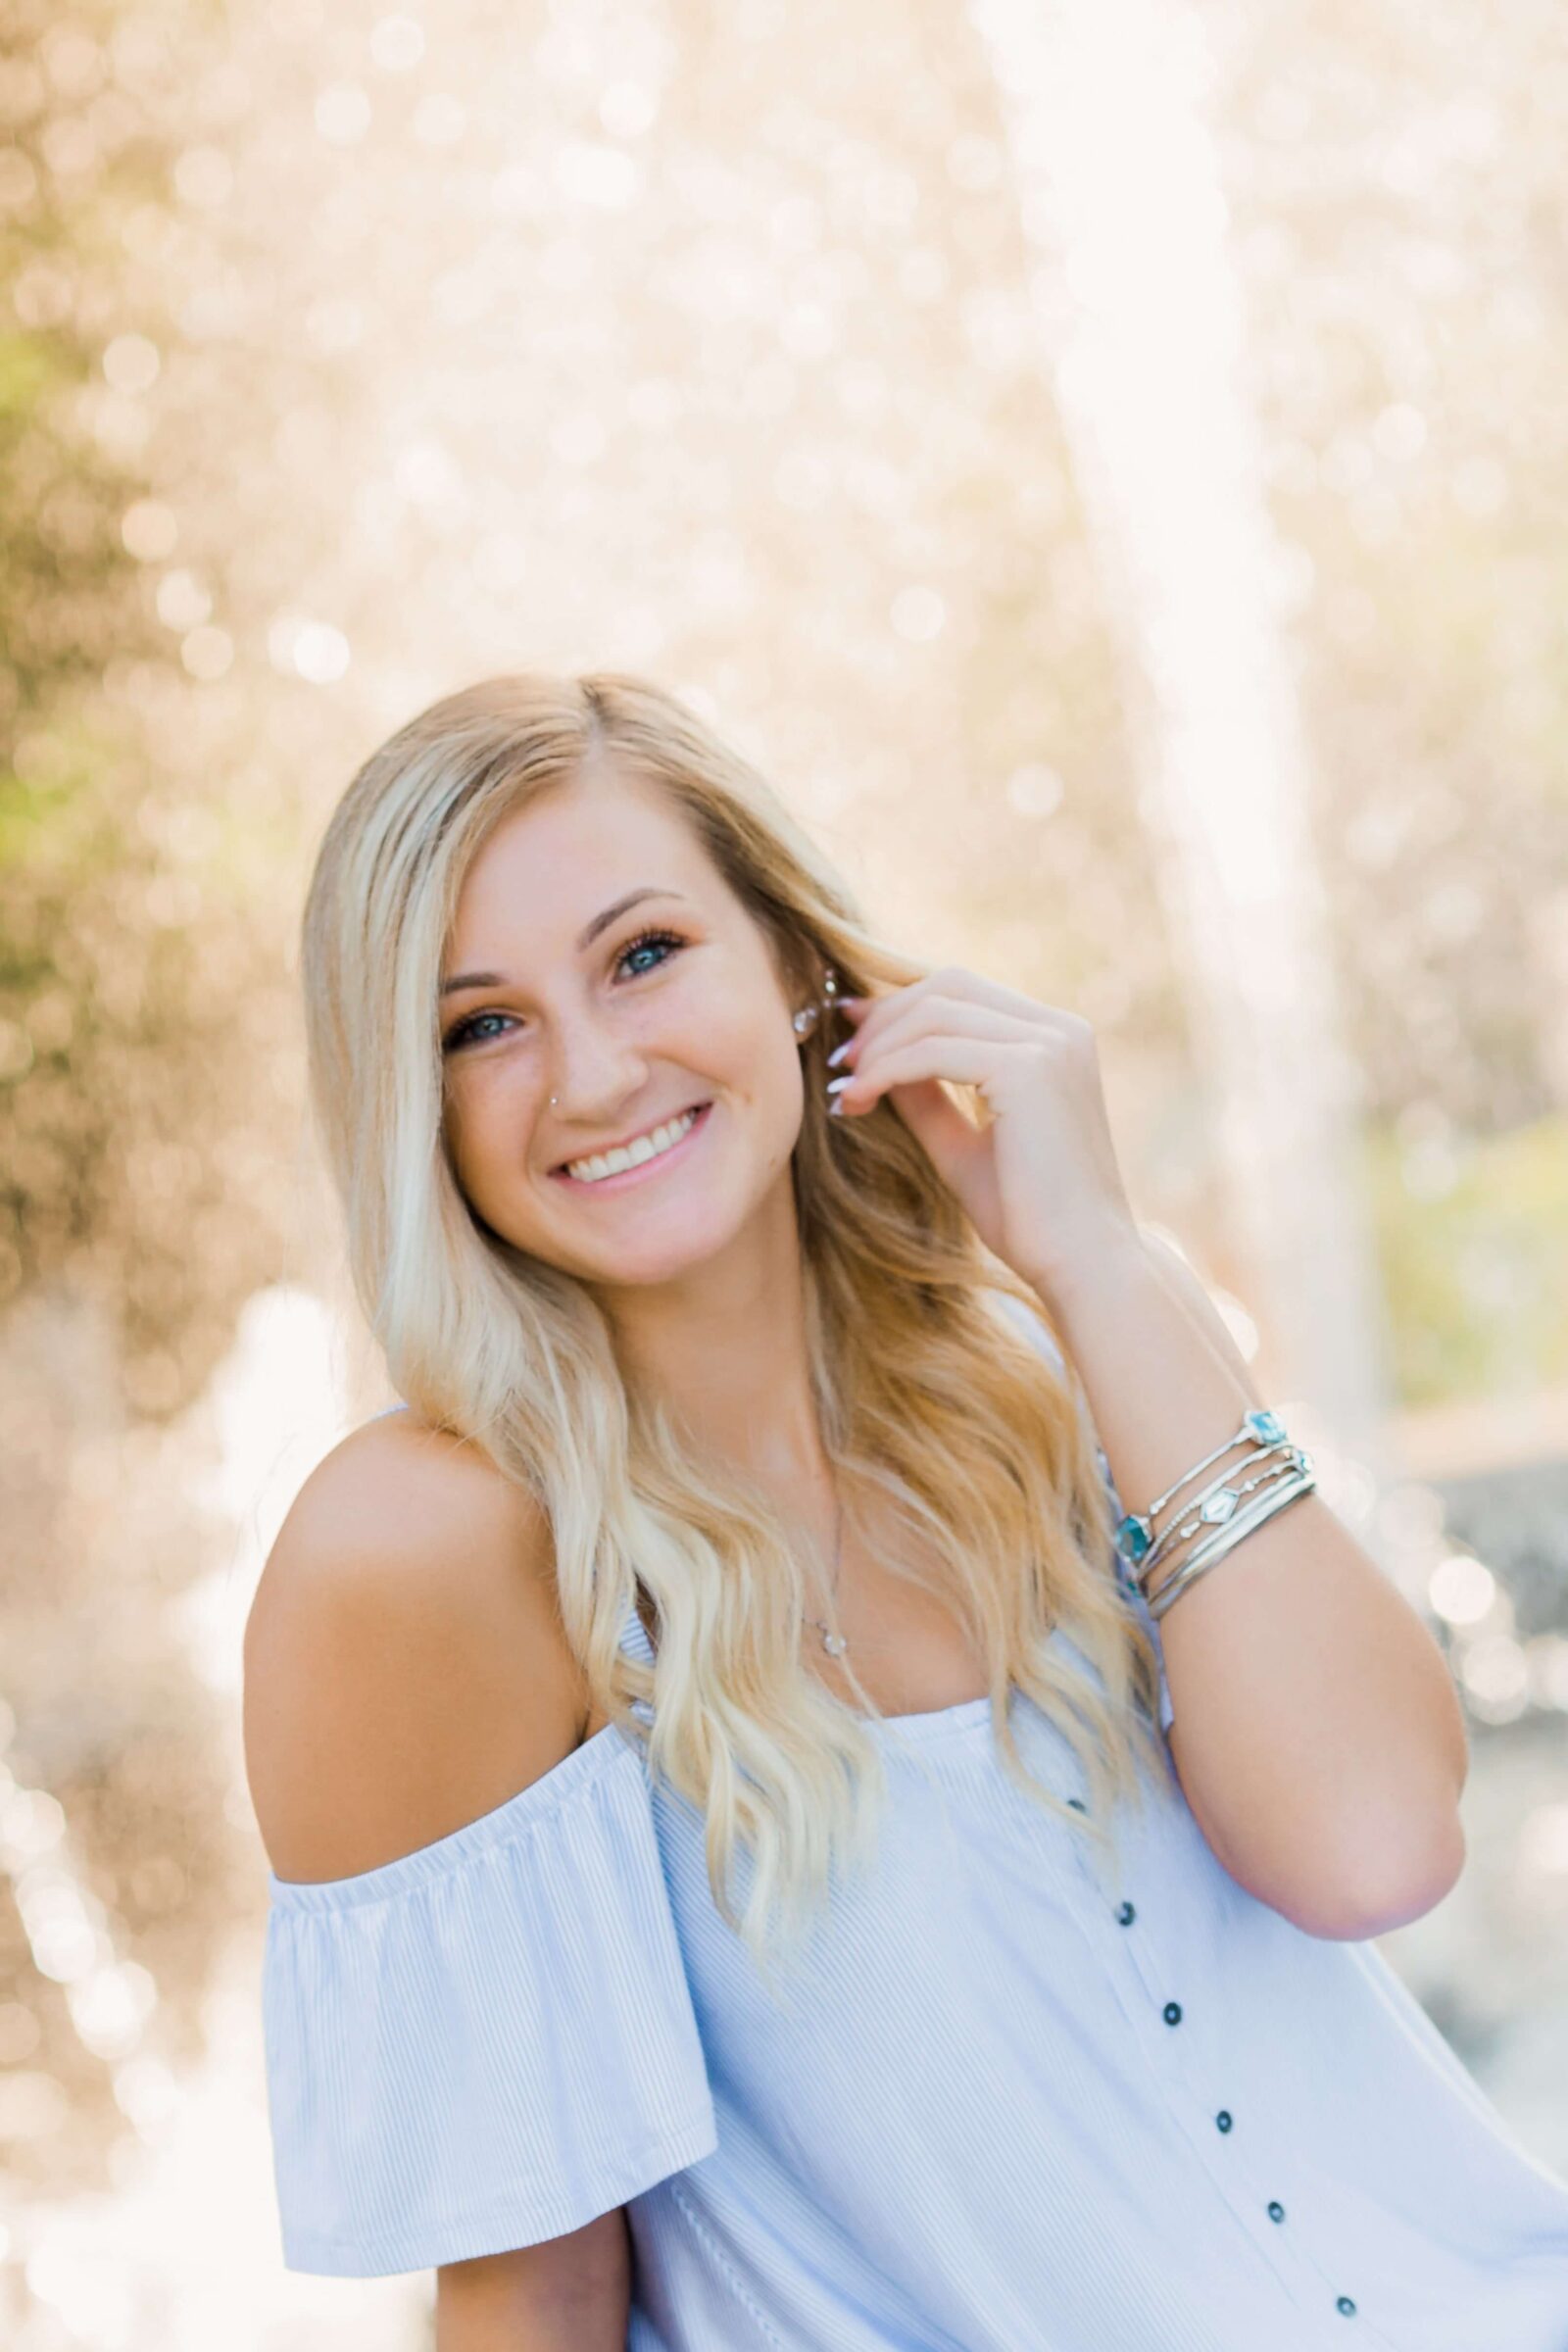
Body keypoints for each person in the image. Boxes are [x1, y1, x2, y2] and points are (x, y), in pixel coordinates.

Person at [244, 671, 1568, 2351]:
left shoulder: (1056, 1353)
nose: (588, 1075)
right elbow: (533, 2286)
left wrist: (1097, 1256)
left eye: (645, 955)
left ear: (802, 966)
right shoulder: (432, 1548)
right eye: (480, 1025)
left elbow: (1375, 1848)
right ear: (412, 1103)